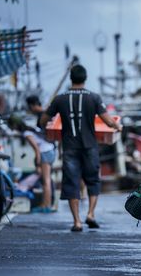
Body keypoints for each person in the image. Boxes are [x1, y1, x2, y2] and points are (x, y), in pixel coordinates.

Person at [39, 64, 122, 232]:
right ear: (85, 78)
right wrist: (117, 127)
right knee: (93, 180)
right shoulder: (94, 98)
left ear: (71, 78)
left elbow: (43, 121)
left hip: (69, 147)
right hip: (90, 146)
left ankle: (77, 221)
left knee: (71, 183)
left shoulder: (60, 99)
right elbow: (108, 121)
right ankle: (90, 214)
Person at [8, 115, 56, 213]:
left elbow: (36, 149)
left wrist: (37, 163)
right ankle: (47, 205)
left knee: (45, 181)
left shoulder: (27, 133)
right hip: (50, 150)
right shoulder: (32, 130)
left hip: (45, 152)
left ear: (14, 125)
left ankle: (46, 206)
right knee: (46, 180)